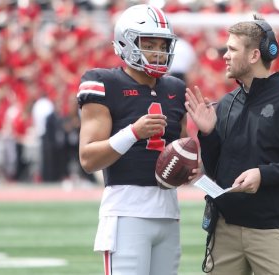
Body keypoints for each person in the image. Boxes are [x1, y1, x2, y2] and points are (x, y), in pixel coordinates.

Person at [185, 14, 279, 275]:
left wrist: (264, 174)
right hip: (225, 230)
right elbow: (217, 170)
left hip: (272, 231)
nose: (225, 56)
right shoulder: (226, 103)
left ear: (254, 55)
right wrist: (207, 134)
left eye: (231, 49)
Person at [77, 5, 192, 275]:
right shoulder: (103, 82)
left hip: (169, 212)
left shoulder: (175, 88)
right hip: (126, 213)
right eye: (148, 43)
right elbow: (88, 158)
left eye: (162, 45)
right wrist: (133, 133)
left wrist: (199, 149)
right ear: (125, 43)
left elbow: (184, 156)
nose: (157, 52)